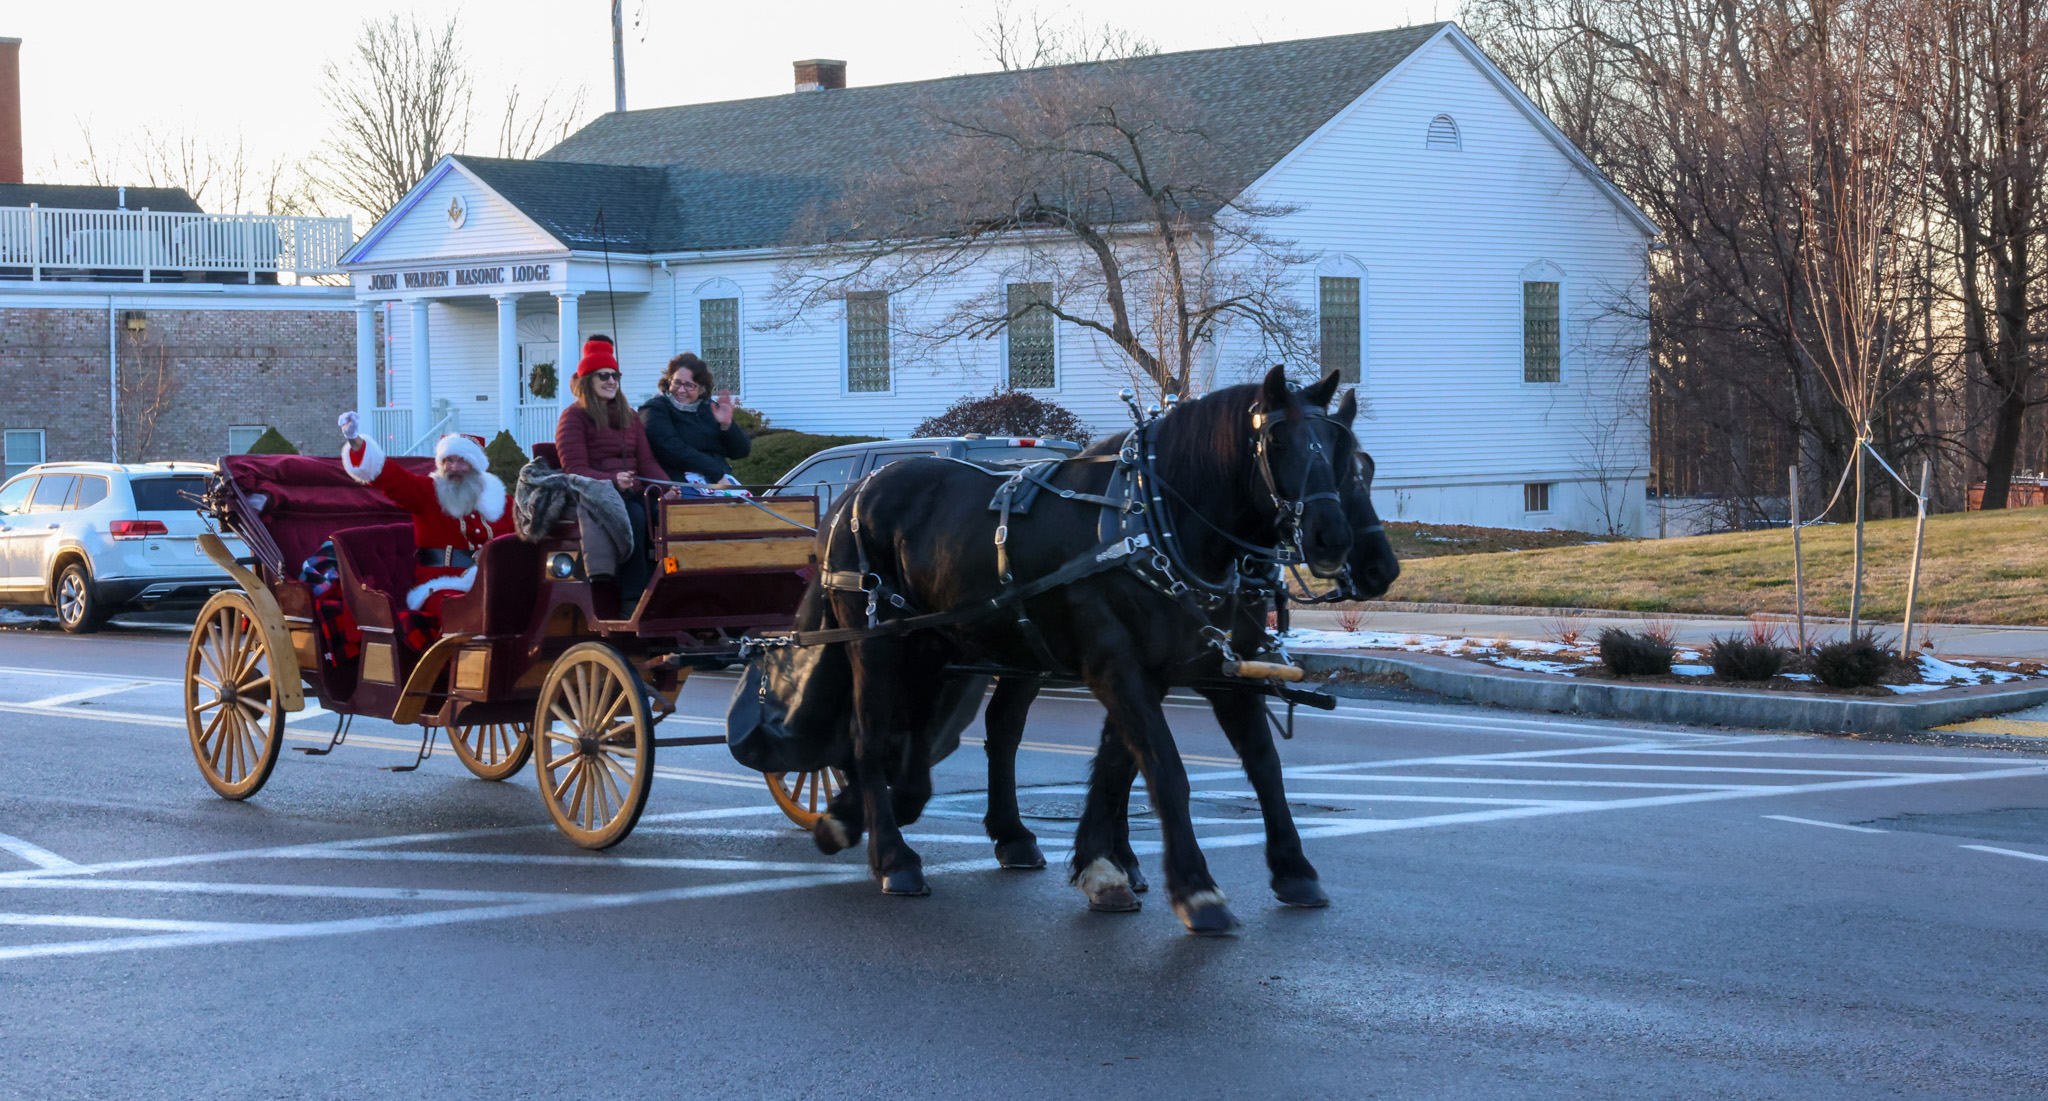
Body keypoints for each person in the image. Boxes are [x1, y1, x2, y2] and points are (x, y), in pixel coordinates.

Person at [335, 415, 515, 617]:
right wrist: (355, 440)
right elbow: (389, 476)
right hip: (441, 584)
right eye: (448, 461)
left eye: (462, 461)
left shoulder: (502, 501)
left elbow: (524, 537)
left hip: (493, 581)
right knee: (464, 612)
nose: (454, 467)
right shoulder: (428, 492)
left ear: (476, 467)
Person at [555, 335, 666, 601]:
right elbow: (574, 469)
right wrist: (612, 480)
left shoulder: (631, 416)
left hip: (633, 491)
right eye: (603, 375)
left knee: (667, 514)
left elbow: (647, 462)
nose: (611, 381)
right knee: (635, 515)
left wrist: (669, 490)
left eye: (615, 375)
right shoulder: (573, 417)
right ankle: (632, 596)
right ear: (587, 380)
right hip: (596, 495)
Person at [640, 352, 751, 484]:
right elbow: (672, 449)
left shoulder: (708, 408)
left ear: (702, 389)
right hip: (677, 486)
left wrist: (727, 426)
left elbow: (741, 452)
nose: (681, 390)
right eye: (677, 383)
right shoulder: (655, 408)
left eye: (689, 385)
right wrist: (717, 474)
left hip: (719, 481)